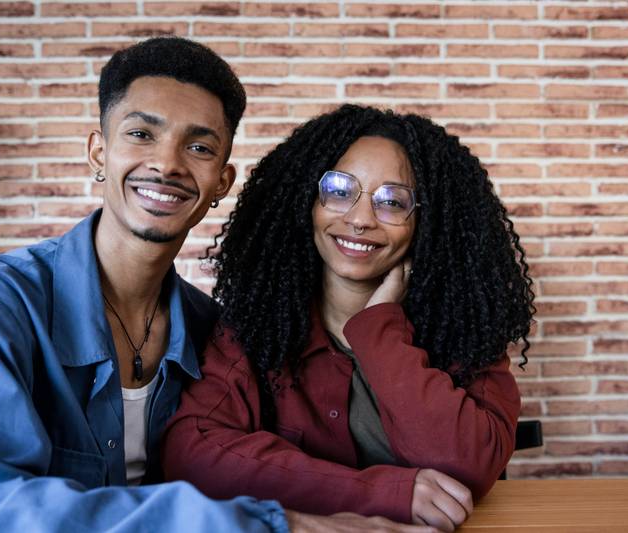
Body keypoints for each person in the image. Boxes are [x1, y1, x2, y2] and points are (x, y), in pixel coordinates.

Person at [0, 39, 432, 533]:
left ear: (222, 179)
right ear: (99, 152)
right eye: (142, 134)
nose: (167, 164)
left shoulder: (210, 329)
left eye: (198, 147)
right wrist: (274, 524)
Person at [162, 104, 535, 532]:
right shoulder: (257, 326)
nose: (359, 219)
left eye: (392, 201)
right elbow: (192, 452)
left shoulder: (465, 331)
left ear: (426, 223)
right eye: (339, 190)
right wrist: (377, 492)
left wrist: (379, 328)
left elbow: (469, 466)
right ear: (307, 200)